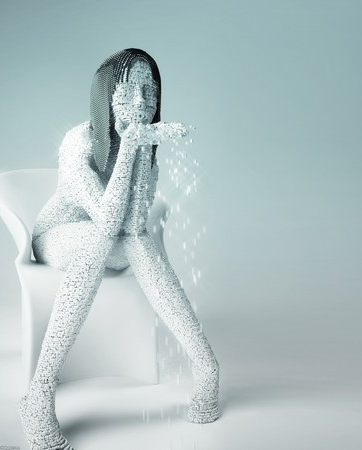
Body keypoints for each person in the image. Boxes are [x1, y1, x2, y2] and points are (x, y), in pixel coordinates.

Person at [19, 48, 219, 450]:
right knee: (103, 238)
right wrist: (129, 146)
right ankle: (39, 392)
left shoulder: (148, 151)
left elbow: (133, 225)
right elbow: (108, 221)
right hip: (57, 237)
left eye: (151, 91)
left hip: (112, 240)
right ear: (105, 96)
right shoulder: (78, 140)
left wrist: (140, 150)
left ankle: (208, 367)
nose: (142, 102)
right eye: (127, 92)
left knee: (138, 241)